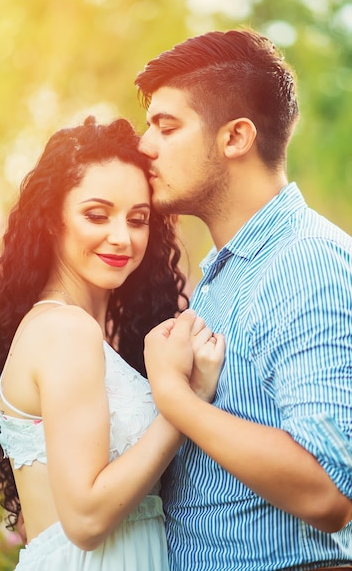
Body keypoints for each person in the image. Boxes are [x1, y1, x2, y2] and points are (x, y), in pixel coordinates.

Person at [0, 116, 225, 571]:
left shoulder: (78, 332)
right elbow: (86, 518)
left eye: (138, 219)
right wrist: (186, 401)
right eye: (97, 215)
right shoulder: (65, 331)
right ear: (52, 221)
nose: (121, 237)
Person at [135, 29, 352, 571]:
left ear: (235, 138)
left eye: (167, 126)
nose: (145, 145)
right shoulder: (225, 274)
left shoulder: (306, 262)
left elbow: (328, 490)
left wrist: (174, 397)